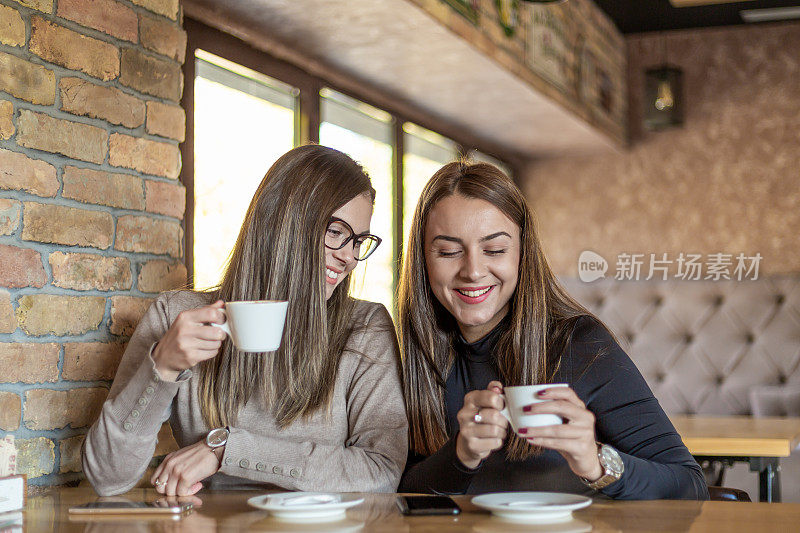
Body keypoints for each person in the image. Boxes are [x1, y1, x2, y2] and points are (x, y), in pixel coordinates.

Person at [83, 145, 408, 497]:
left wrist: (227, 450)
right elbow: (108, 477)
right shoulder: (178, 316)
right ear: (283, 223)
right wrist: (161, 368)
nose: (349, 257)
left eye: (358, 241)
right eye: (335, 233)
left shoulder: (365, 328)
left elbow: (381, 472)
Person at [397, 161, 708, 499]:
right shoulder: (412, 353)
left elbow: (690, 485)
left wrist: (595, 461)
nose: (472, 271)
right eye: (449, 251)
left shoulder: (578, 344)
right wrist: (460, 455)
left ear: (522, 253)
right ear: (423, 259)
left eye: (495, 250)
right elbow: (402, 493)